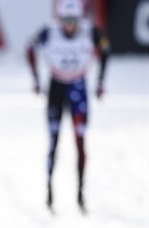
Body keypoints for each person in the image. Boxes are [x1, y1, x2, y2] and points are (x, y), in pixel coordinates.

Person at [26, 0, 110, 211]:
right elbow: (30, 48)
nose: (70, 25)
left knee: (80, 142)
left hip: (78, 89)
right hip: (57, 88)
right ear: (60, 19)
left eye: (74, 20)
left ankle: (80, 194)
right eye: (66, 20)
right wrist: (36, 79)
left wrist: (100, 82)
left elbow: (106, 50)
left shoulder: (90, 32)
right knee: (53, 142)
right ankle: (49, 192)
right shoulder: (49, 31)